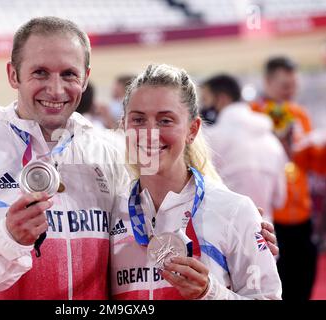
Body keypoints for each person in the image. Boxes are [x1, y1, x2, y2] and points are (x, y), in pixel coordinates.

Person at [0, 16, 277, 300]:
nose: (55, 89)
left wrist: (244, 226)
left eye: (68, 74)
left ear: (85, 79)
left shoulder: (111, 151)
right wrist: (4, 241)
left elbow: (180, 185)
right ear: (12, 74)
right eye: (39, 72)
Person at [110, 64, 282, 300]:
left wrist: (210, 293)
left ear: (192, 129)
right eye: (138, 120)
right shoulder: (110, 212)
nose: (150, 133)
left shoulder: (234, 211)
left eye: (165, 121)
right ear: (124, 126)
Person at [250, 56, 324, 300]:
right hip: (270, 216)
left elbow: (312, 164)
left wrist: (313, 147)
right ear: (268, 82)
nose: (290, 91)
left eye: (294, 85)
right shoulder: (253, 116)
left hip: (301, 212)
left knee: (304, 281)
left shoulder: (299, 114)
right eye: (284, 85)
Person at [201, 74, 287, 222]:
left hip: (223, 233)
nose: (202, 107)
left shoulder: (210, 138)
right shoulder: (271, 140)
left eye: (205, 100)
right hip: (265, 235)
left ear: (222, 99)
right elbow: (280, 199)